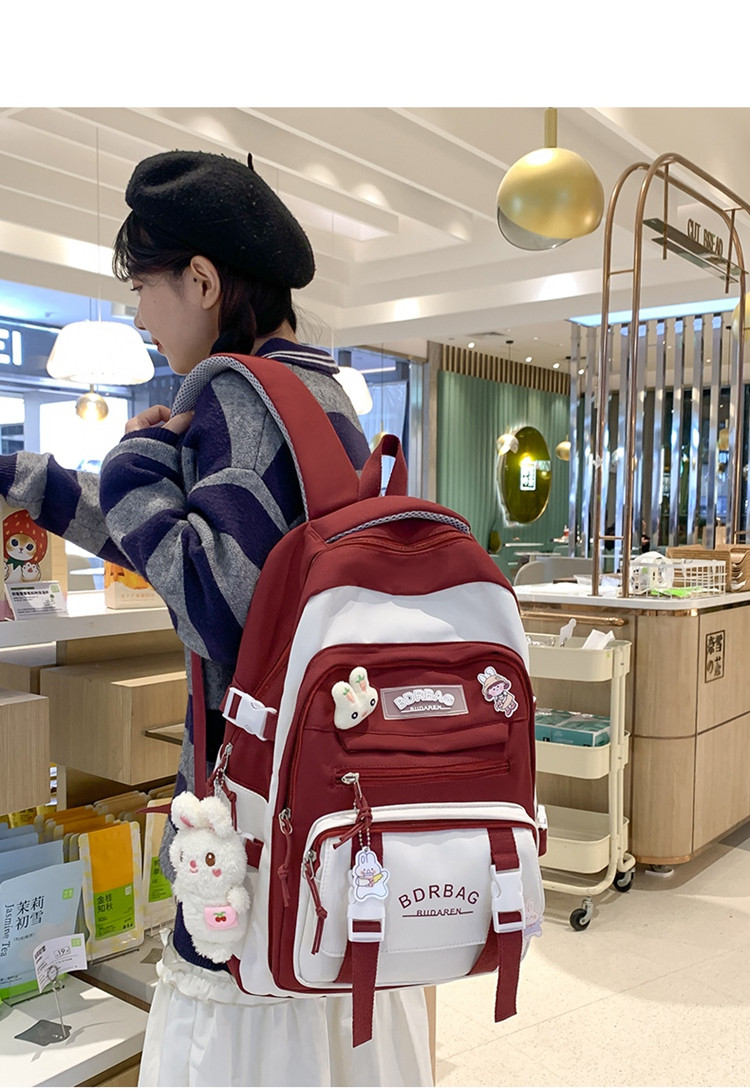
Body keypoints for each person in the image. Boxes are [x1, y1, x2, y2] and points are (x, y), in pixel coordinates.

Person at [0, 150, 432, 1087]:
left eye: (142, 288)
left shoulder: (234, 395)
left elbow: (214, 603)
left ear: (201, 280)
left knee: (241, 1020)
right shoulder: (315, 391)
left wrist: (133, 463)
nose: (139, 316)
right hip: (321, 789)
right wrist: (40, 483)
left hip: (249, 808)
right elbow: (202, 552)